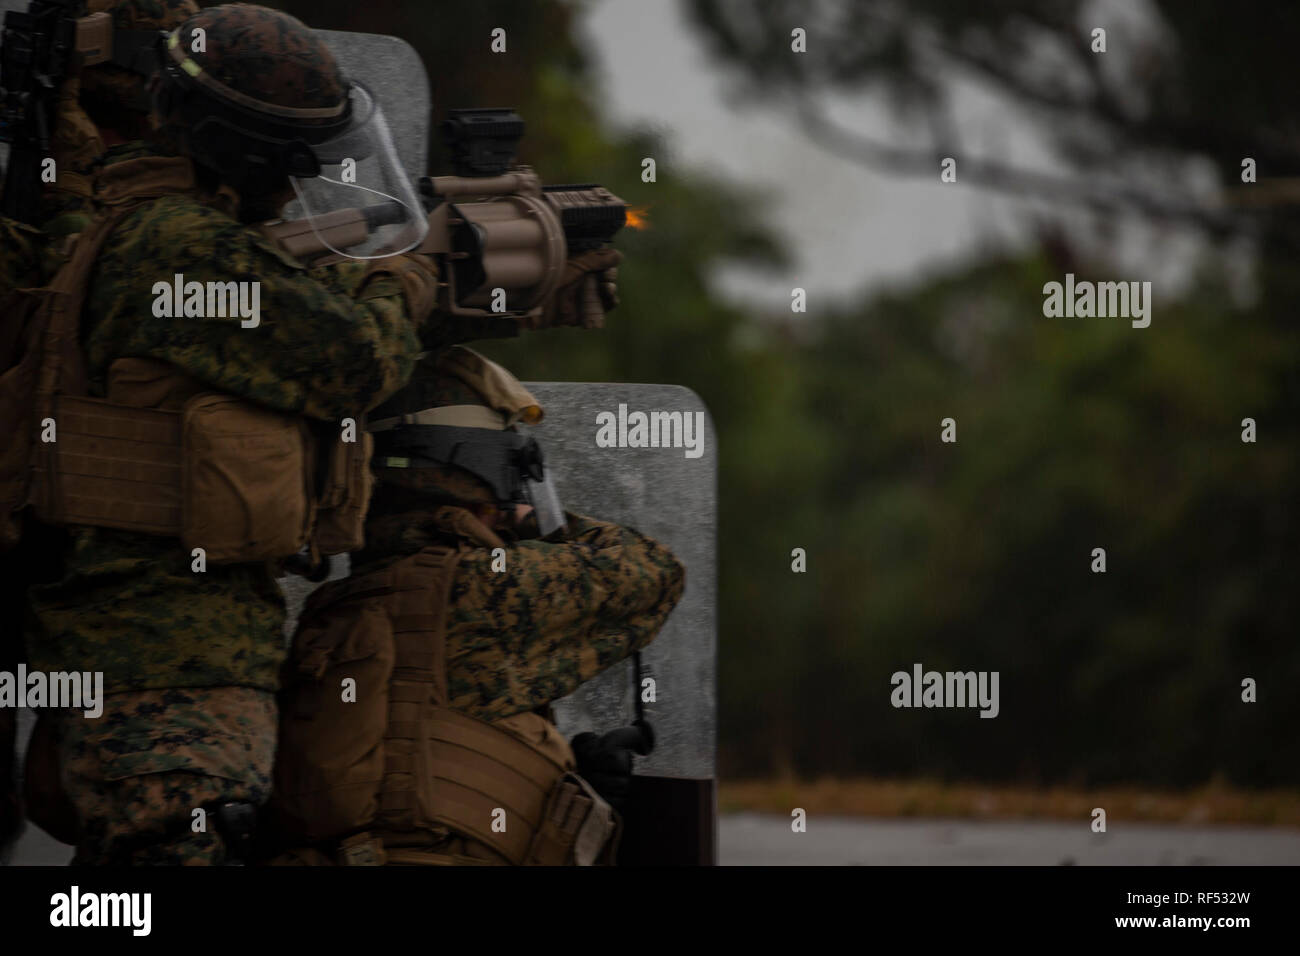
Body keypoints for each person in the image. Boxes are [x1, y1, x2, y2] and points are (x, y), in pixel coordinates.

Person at [20, 3, 446, 865]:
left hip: (134, 652)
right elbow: (357, 359)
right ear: (246, 153)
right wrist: (406, 275)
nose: (299, 186)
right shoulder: (181, 249)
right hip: (169, 668)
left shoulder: (116, 225)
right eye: (295, 162)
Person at [266, 347, 686, 865]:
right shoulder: (484, 588)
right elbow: (654, 573)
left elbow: (407, 764)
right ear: (489, 469)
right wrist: (540, 517)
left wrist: (560, 774)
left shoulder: (330, 610)